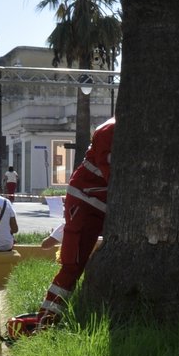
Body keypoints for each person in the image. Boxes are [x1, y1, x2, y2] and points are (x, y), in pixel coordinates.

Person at [39, 116, 115, 325]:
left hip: (97, 201)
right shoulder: (110, 129)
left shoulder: (113, 127)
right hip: (86, 200)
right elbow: (111, 171)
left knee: (75, 263)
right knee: (73, 265)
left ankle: (48, 317)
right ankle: (46, 319)